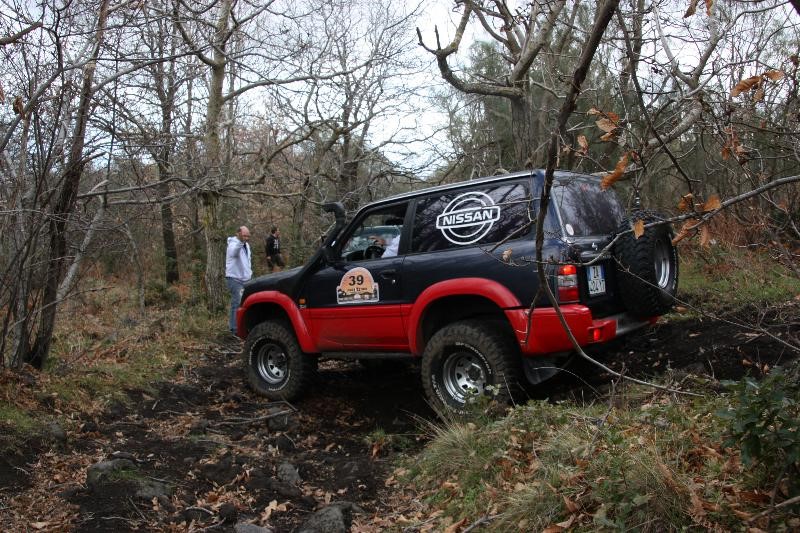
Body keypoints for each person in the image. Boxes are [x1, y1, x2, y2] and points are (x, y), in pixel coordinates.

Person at [226, 226, 252, 335]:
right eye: (244, 236)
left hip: (246, 279)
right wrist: (241, 242)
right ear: (238, 234)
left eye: (248, 236)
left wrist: (249, 273)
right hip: (235, 279)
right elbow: (234, 252)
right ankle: (234, 329)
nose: (246, 238)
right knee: (237, 303)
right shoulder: (233, 244)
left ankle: (244, 327)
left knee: (246, 304)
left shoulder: (247, 245)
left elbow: (247, 261)